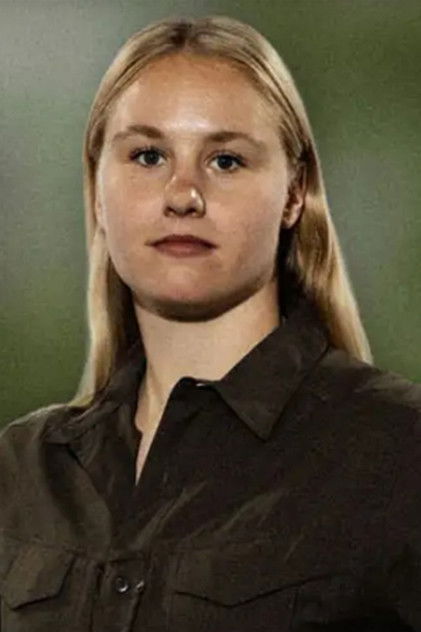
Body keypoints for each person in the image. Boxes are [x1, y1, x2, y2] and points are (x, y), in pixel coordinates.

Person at [0, 13, 420, 632]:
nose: (182, 194)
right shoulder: (23, 470)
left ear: (294, 193)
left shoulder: (397, 451)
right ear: (97, 187)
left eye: (225, 161)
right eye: (148, 155)